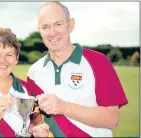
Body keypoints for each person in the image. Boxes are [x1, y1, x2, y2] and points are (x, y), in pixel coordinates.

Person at [28, 2, 128, 137]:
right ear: (39, 30)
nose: (52, 32)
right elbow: (35, 119)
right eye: (45, 27)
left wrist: (64, 107)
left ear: (71, 25)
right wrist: (36, 129)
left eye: (58, 24)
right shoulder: (34, 72)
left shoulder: (98, 62)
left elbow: (112, 119)